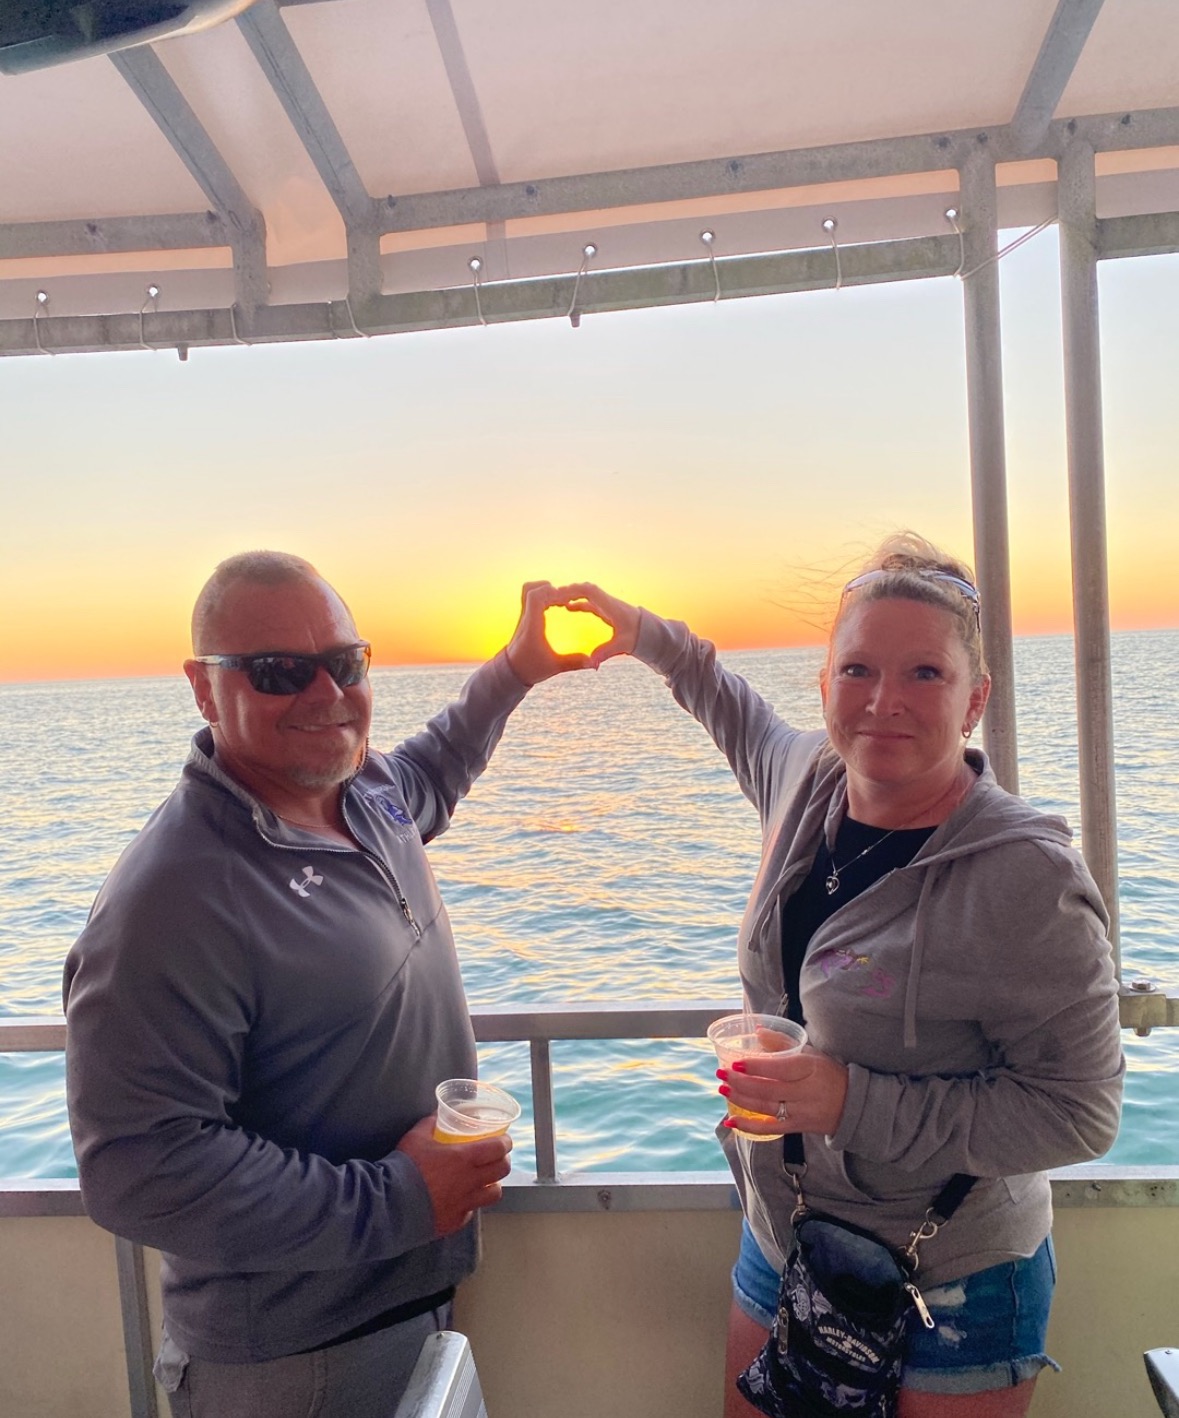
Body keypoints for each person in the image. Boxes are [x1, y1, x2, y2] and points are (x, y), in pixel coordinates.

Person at [566, 533, 1124, 1418]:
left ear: (975, 699)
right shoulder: (803, 782)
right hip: (784, 1235)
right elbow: (722, 697)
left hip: (950, 1278)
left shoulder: (1028, 878)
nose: (882, 701)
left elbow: (1079, 1112)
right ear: (824, 684)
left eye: (924, 674)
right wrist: (644, 634)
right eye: (857, 670)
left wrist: (847, 1101)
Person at [63, 552, 589, 1418]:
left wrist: (516, 668)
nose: (327, 694)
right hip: (293, 1358)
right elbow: (139, 1167)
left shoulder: (367, 792)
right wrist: (401, 1199)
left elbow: (436, 765)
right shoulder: (174, 894)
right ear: (203, 688)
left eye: (345, 663)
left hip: (409, 1296)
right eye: (279, 672)